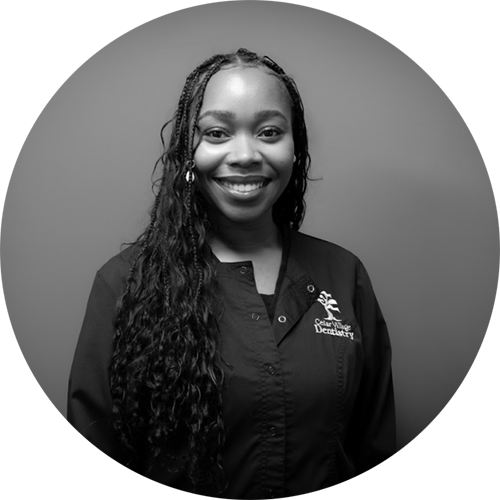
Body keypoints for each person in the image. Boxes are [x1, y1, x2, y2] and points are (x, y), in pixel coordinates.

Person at [67, 48, 396, 499]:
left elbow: (375, 457)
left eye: (269, 132)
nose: (245, 155)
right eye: (217, 133)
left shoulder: (344, 275)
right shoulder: (124, 285)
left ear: (295, 147)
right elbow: (96, 471)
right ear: (188, 151)